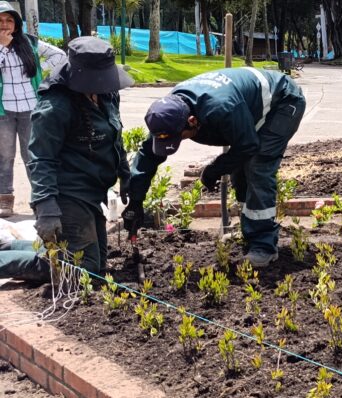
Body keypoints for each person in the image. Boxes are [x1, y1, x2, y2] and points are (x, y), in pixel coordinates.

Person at [124, 68, 306, 267]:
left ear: (192, 121)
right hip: (248, 106)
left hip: (283, 101)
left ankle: (264, 246)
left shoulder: (222, 108)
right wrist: (135, 201)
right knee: (239, 170)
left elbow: (248, 145)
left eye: (180, 137)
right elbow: (148, 156)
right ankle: (251, 231)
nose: (176, 142)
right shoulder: (168, 115)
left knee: (257, 165)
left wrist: (213, 170)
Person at [27, 37, 133, 276]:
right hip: (67, 194)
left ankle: (22, 250)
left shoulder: (106, 95)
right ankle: (9, 261)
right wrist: (46, 208)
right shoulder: (56, 106)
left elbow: (115, 136)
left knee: (99, 264)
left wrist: (125, 173)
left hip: (91, 193)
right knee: (83, 270)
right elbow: (41, 158)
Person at [0, 0, 67, 217]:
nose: (4, 25)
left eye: (9, 20)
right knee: (4, 156)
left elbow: (60, 56)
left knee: (33, 156)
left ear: (16, 24)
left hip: (31, 109)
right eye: (0, 21)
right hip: (3, 112)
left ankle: (40, 199)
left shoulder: (30, 43)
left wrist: (39, 69)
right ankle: (5, 200)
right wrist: (1, 47)